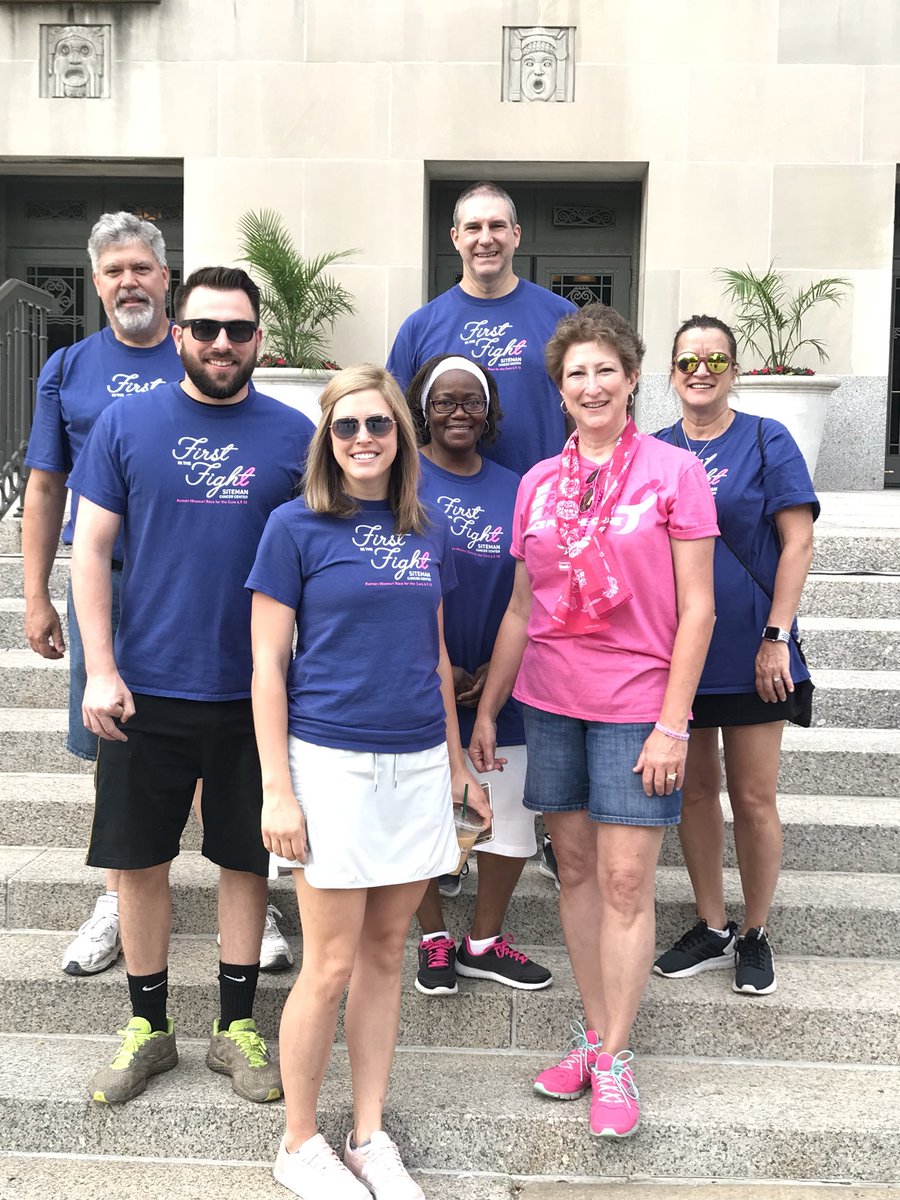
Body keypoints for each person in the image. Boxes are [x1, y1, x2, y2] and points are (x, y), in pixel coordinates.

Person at [470, 304, 718, 1139]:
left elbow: (699, 611)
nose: (591, 384)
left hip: (638, 707)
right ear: (560, 388)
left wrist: (674, 723)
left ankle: (615, 1057)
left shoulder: (672, 472)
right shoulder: (538, 483)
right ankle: (593, 1030)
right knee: (574, 872)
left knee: (623, 881)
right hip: (552, 703)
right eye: (576, 373)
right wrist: (492, 707)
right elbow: (517, 609)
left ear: (633, 375)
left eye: (605, 369)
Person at [69, 266, 314, 1105]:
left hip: (255, 692)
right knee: (139, 860)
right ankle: (149, 1026)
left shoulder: (293, 435)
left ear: (258, 340)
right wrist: (100, 669)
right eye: (205, 327)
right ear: (177, 331)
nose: (220, 343)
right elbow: (91, 549)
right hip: (147, 685)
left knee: (246, 858)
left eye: (237, 330)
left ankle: (235, 1027)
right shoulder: (125, 423)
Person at [247, 364, 490, 1200]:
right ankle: (299, 1142)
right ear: (328, 438)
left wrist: (457, 763)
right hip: (332, 765)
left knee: (388, 951)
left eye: (378, 426)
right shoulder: (294, 528)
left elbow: (434, 656)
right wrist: (278, 788)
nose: (362, 439)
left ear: (401, 437)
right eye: (346, 426)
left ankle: (369, 1132)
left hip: (418, 762)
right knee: (330, 963)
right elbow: (266, 669)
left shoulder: (427, 531)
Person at [22, 211, 180, 977]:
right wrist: (36, 595)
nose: (128, 282)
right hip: (104, 591)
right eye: (113, 271)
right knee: (111, 743)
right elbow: (46, 485)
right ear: (96, 282)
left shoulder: (201, 356)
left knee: (215, 738)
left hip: (192, 587)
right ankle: (118, 894)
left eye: (140, 268)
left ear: (165, 276)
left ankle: (245, 893)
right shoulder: (70, 369)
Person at [652, 315, 818, 996]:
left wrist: (776, 636)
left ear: (734, 369)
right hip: (679, 652)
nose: (701, 370)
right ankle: (712, 924)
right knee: (694, 791)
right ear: (670, 371)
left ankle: (754, 931)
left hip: (753, 648)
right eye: (689, 359)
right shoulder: (653, 449)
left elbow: (798, 543)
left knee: (752, 796)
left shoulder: (766, 439)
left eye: (715, 359)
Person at [405, 354, 552, 995]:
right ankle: (434, 940)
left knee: (509, 822)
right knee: (419, 818)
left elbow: (537, 592)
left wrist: (500, 668)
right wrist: (434, 662)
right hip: (418, 678)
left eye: (472, 402)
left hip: (504, 682)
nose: (459, 413)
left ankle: (484, 940)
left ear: (489, 412)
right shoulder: (399, 484)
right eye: (445, 402)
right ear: (424, 411)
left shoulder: (519, 488)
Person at [387, 181, 576, 478]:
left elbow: (582, 411)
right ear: (456, 238)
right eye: (473, 227)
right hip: (441, 506)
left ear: (516, 235)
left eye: (497, 226)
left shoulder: (562, 317)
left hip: (544, 502)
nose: (485, 239)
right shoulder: (419, 327)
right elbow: (396, 423)